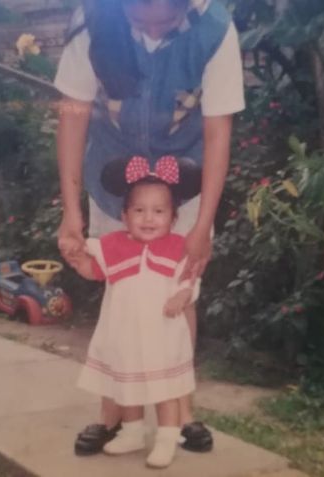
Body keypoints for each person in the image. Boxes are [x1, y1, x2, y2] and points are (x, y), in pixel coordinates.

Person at [54, 0, 244, 456]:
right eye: (140, 15)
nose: (153, 26)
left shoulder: (216, 28)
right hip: (115, 182)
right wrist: (71, 209)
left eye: (166, 18)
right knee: (118, 293)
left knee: (179, 297)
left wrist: (202, 223)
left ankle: (181, 415)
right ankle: (113, 414)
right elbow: (73, 115)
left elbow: (218, 130)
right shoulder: (92, 20)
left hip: (186, 180)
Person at [64, 156, 202, 468]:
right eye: (139, 210)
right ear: (124, 216)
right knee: (127, 384)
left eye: (158, 211)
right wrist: (78, 262)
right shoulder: (112, 246)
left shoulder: (179, 247)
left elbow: (190, 280)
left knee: (165, 388)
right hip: (125, 333)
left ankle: (167, 437)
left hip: (162, 334)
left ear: (173, 217)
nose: (148, 218)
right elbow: (95, 271)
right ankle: (132, 431)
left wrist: (182, 296)